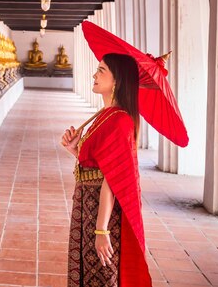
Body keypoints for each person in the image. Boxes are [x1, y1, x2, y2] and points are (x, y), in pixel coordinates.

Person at [60, 53, 151, 287]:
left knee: (101, 275)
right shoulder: (105, 116)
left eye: (101, 70)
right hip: (86, 205)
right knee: (85, 271)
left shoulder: (120, 121)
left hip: (101, 210)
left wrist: (102, 229)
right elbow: (95, 164)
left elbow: (113, 178)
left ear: (117, 81)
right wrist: (74, 149)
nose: (94, 75)